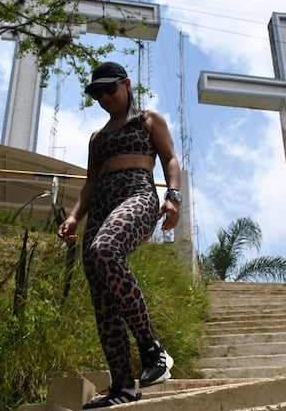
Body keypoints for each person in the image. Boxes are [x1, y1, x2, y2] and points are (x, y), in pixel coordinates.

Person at [57, 61, 182, 409]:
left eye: (109, 89)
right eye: (97, 93)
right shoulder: (97, 138)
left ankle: (152, 349)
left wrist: (173, 198)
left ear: (126, 84)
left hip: (137, 195)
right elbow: (90, 183)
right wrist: (73, 217)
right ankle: (123, 387)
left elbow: (171, 159)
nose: (104, 97)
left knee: (105, 251)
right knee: (102, 299)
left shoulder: (148, 120)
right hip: (99, 207)